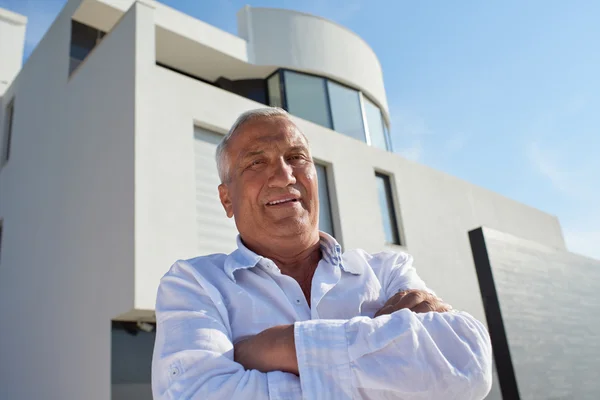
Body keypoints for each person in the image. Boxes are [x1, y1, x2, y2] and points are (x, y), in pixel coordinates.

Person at [151, 107, 493, 399]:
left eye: (296, 157)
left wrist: (279, 346)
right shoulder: (194, 284)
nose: (285, 175)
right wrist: (382, 350)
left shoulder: (387, 271)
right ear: (227, 199)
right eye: (256, 162)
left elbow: (468, 365)